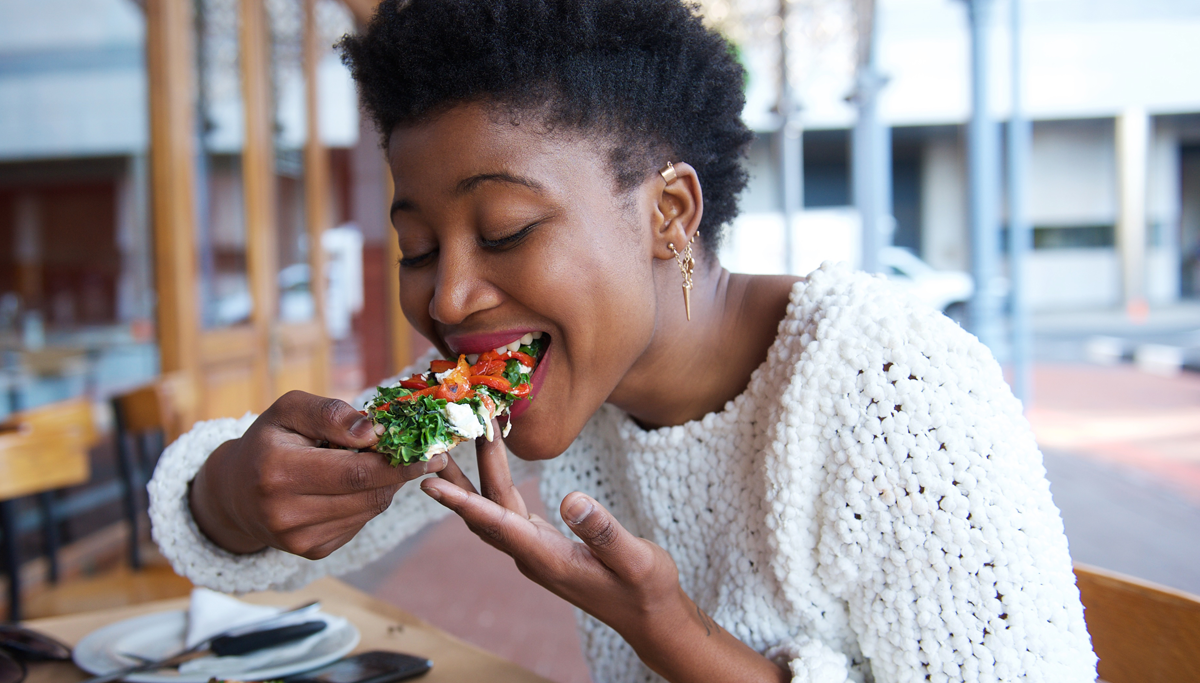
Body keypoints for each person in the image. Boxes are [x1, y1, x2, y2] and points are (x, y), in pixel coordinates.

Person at [148, 0, 1098, 680]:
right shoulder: (539, 375)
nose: (449, 295)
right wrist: (241, 490)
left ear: (668, 213)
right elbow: (237, 543)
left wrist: (668, 631)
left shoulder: (895, 387)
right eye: (419, 248)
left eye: (507, 229)